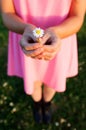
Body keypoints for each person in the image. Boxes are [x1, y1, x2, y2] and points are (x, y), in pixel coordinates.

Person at [0, 0, 85, 124]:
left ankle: (46, 103)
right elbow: (7, 13)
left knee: (52, 79)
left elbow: (77, 16)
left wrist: (57, 32)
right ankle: (37, 104)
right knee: (32, 79)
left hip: (61, 38)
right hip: (26, 39)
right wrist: (25, 28)